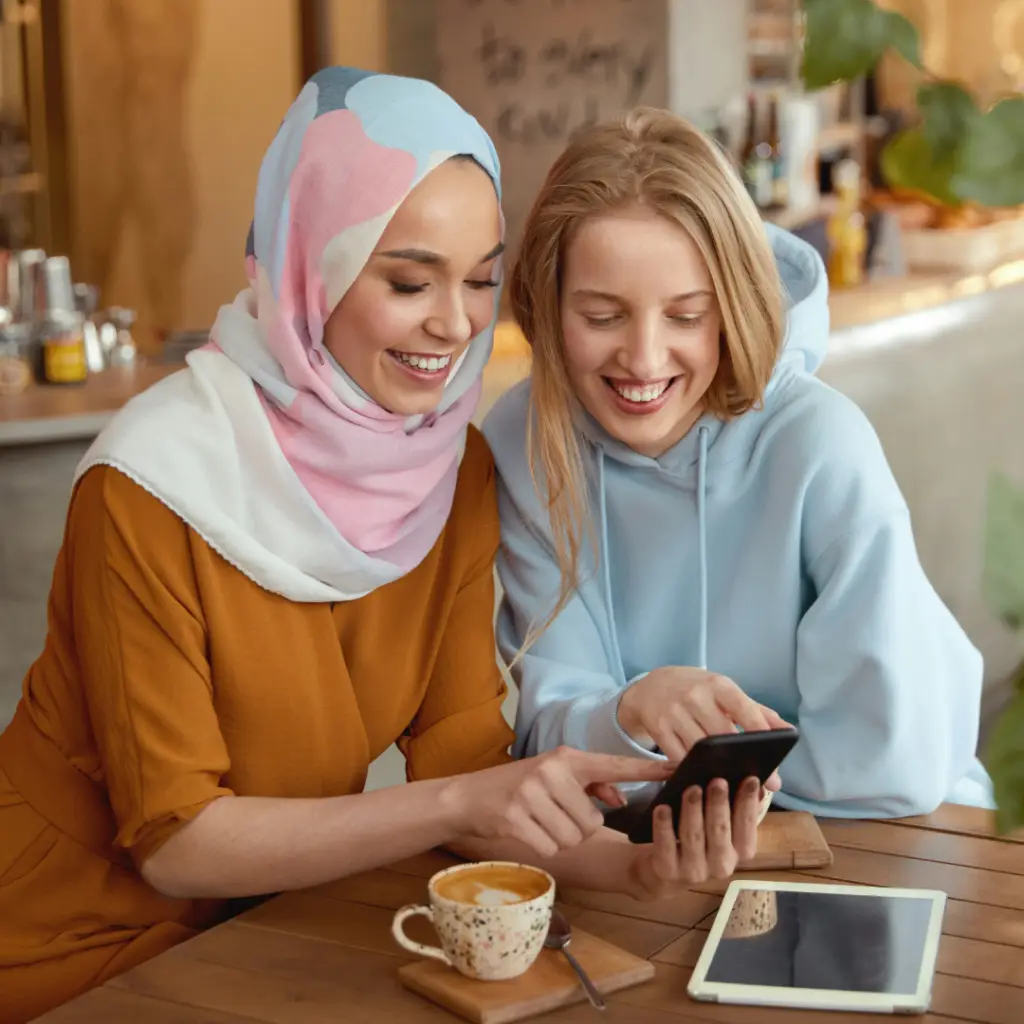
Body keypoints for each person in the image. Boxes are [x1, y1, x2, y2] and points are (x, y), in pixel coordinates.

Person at [0, 73, 765, 1022]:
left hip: (262, 928)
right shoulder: (149, 481)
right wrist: (460, 806)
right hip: (57, 941)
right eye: (409, 281)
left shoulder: (452, 470)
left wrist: (637, 867)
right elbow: (177, 841)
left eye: (482, 280)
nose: (455, 323)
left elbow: (460, 767)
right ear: (308, 266)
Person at [483, 107, 994, 820]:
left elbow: (891, 757)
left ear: (734, 305)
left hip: (893, 828)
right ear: (544, 306)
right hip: (654, 846)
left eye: (687, 316)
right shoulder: (522, 439)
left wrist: (658, 767)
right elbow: (545, 738)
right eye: (602, 316)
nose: (644, 358)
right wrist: (633, 707)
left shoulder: (818, 445)